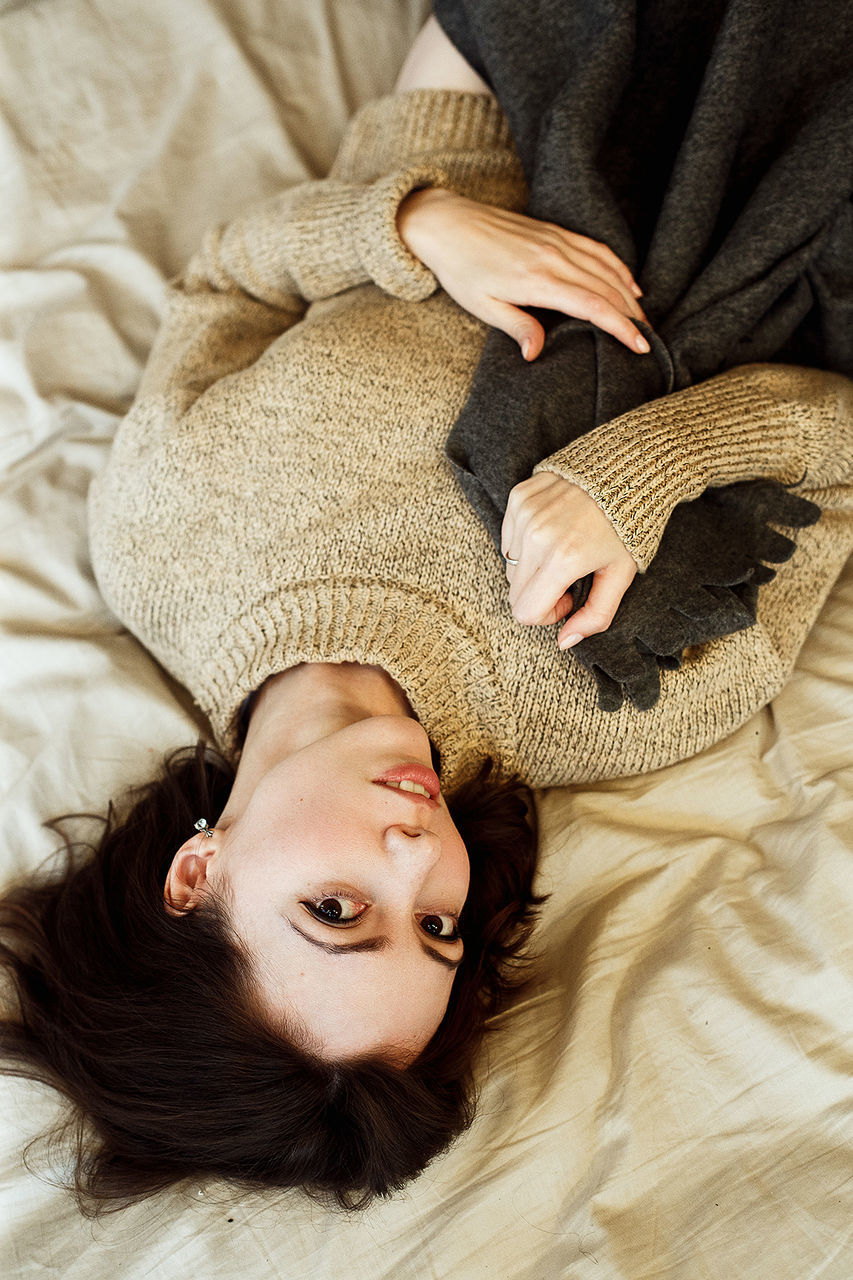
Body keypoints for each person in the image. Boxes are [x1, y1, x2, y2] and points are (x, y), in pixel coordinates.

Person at [1, 15, 851, 1212]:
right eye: (440, 924)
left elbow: (233, 273)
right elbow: (837, 443)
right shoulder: (614, 703)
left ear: (196, 873)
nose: (417, 856)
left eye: (339, 909)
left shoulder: (159, 541)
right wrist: (651, 467)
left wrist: (415, 224)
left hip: (497, 119)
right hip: (774, 221)